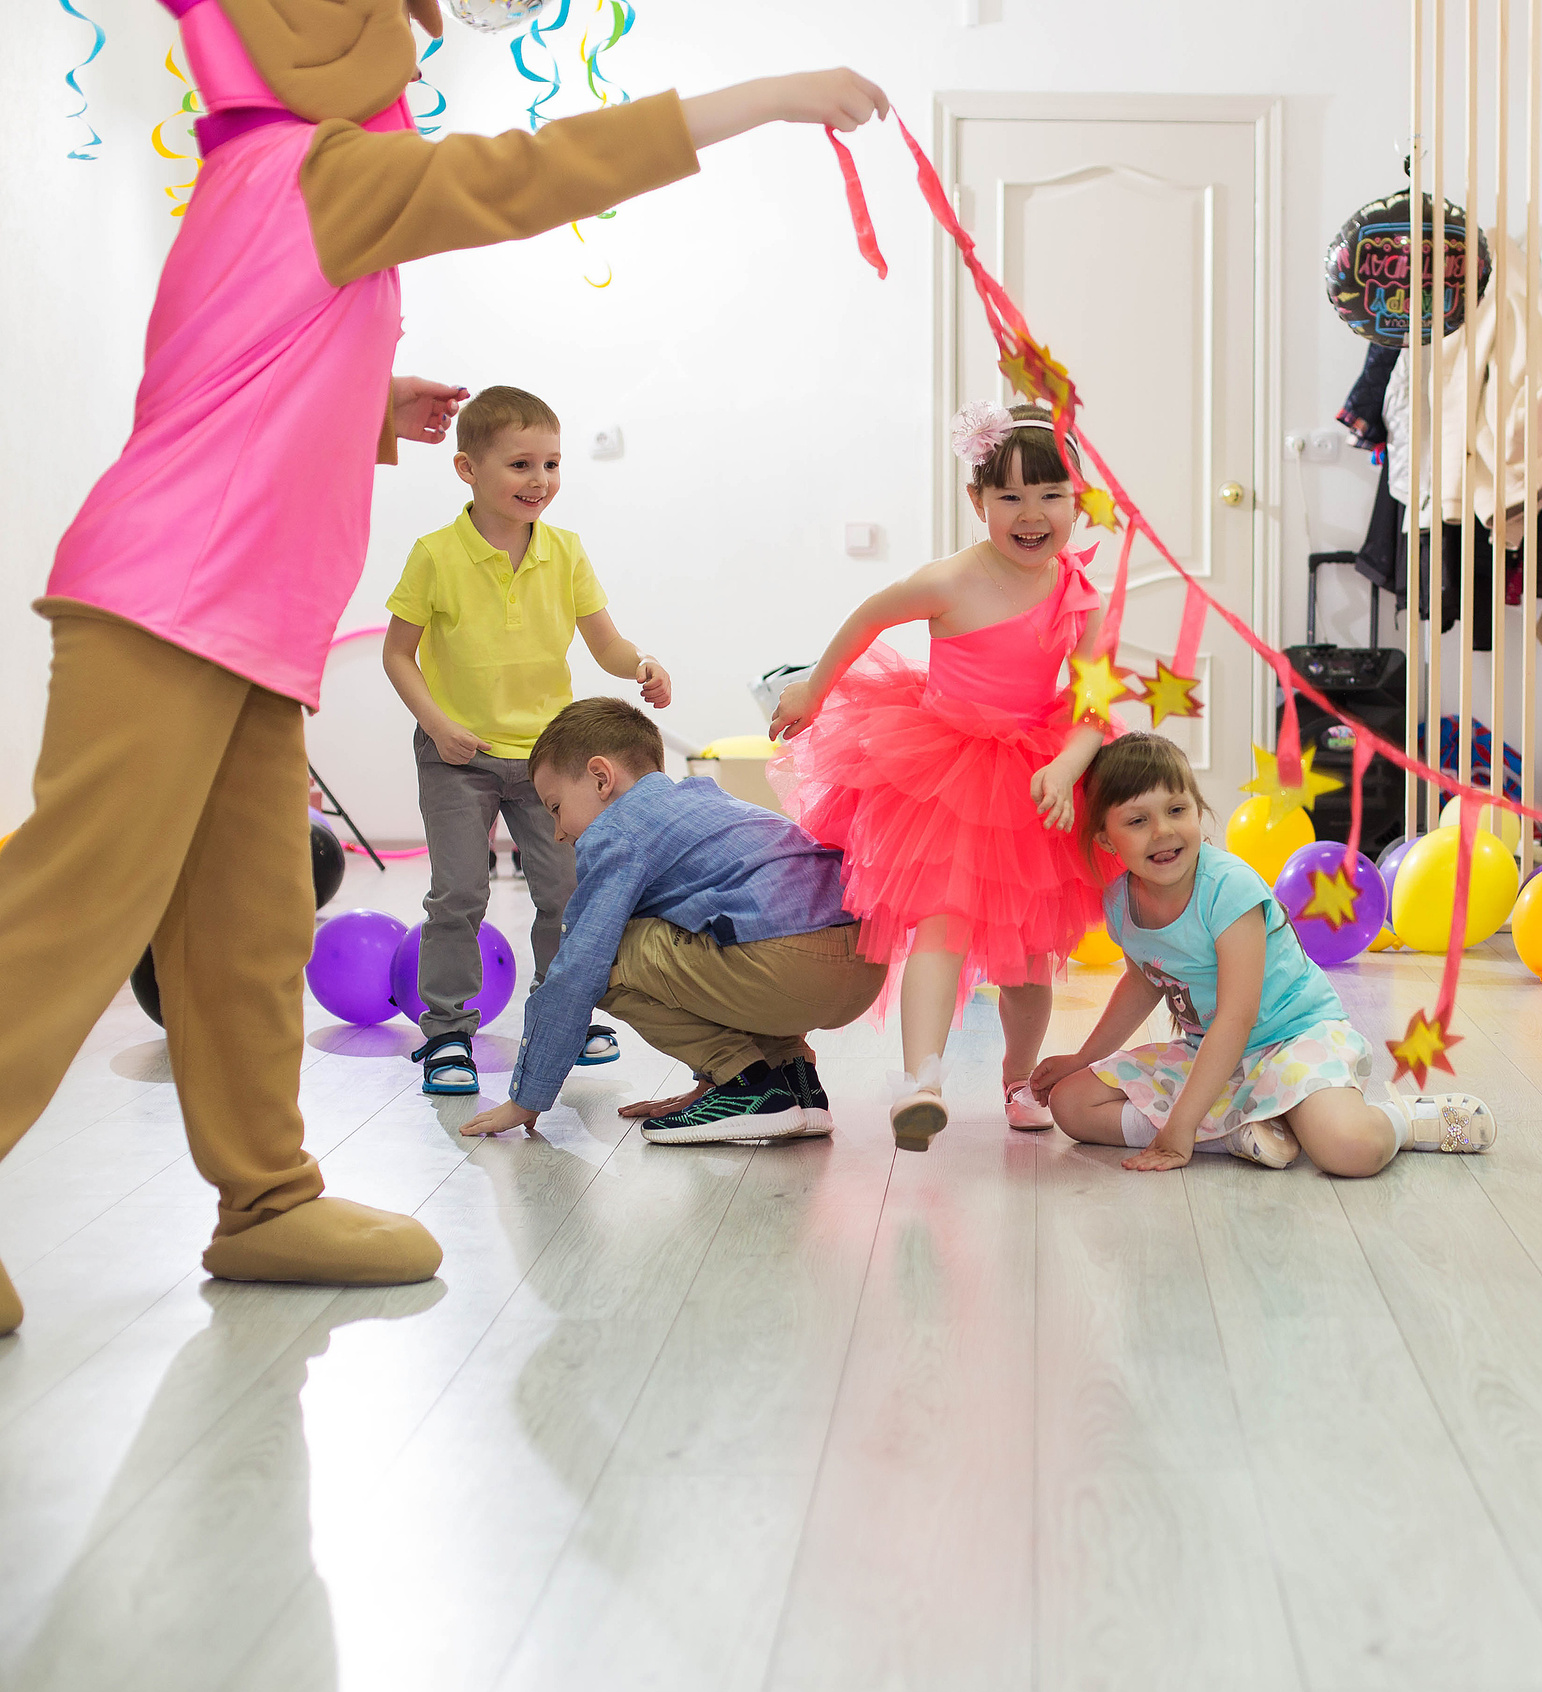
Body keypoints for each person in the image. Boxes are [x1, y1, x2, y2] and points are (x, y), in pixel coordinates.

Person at [0, 0, 889, 1333]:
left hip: (242, 629)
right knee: (72, 909)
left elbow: (219, 373)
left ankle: (267, 1198)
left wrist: (371, 399)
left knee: (249, 931)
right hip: (165, 603)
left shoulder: (269, 182)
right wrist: (767, 96)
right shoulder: (318, 166)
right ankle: (262, 1195)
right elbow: (524, 178)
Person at [769, 402, 1111, 1151]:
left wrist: (1068, 764)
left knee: (1028, 953)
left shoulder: (1080, 596)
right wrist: (814, 689)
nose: (1032, 514)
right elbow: (869, 616)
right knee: (940, 923)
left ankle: (1020, 1078)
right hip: (946, 769)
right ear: (977, 501)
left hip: (1035, 775)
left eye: (1052, 495)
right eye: (1011, 497)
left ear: (1078, 500)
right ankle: (919, 1080)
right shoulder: (954, 579)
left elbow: (1095, 705)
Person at [383, 385, 672, 1099]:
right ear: (467, 470)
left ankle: (563, 1013)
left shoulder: (566, 553)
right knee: (459, 892)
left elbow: (603, 642)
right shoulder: (434, 555)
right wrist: (438, 724)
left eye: (550, 463)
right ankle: (447, 1033)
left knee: (565, 890)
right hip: (458, 757)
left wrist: (637, 662)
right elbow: (398, 654)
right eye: (519, 464)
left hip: (552, 761)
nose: (539, 480)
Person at [1027, 733, 1496, 1172]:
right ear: (1106, 838)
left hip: (1293, 1038)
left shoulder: (1228, 888)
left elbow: (1237, 1016)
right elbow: (1141, 983)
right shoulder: (1120, 904)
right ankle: (1239, 1133)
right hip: (1212, 1054)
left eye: (1176, 810)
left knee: (1349, 1149)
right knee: (1071, 1104)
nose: (1163, 831)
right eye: (1137, 820)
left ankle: (1408, 1121)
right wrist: (1080, 1061)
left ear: (1197, 810)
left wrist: (1181, 1127)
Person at [458, 699, 885, 1147]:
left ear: (602, 778)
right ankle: (795, 1079)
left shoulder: (618, 830)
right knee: (718, 928)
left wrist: (529, 1097)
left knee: (603, 953)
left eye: (555, 807)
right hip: (864, 964)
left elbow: (576, 971)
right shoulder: (707, 801)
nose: (558, 833)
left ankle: (747, 1085)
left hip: (787, 965)